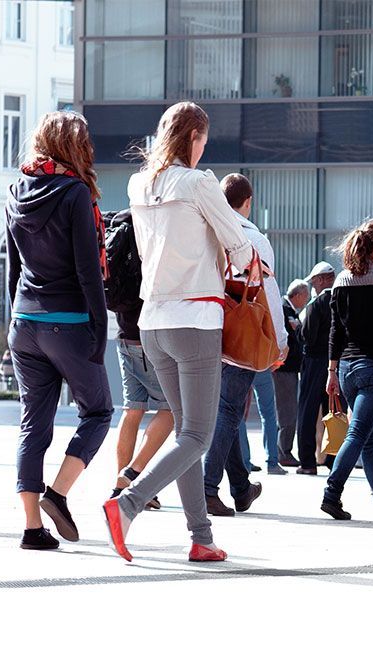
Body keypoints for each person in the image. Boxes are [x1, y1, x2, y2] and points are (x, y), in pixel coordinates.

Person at [103, 102, 255, 563]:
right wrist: (249, 261)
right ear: (193, 137)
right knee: (198, 437)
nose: (204, 147)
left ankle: (201, 538)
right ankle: (128, 504)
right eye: (203, 139)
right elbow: (238, 244)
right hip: (194, 320)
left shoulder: (139, 184)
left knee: (186, 433)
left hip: (152, 323)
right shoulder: (199, 182)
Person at [5, 110, 114, 551]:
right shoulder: (75, 194)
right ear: (76, 146)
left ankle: (33, 528)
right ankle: (58, 493)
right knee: (98, 412)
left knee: (33, 425)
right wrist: (100, 327)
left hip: (24, 320)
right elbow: (88, 271)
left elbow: (14, 269)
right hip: (68, 322)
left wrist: (17, 318)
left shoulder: (16, 190)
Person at [202, 173, 286, 516]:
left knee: (227, 410)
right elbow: (269, 293)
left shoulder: (207, 231)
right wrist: (280, 340)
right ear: (248, 202)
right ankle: (208, 488)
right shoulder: (252, 238)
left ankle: (240, 486)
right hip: (241, 334)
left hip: (206, 328)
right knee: (228, 410)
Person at [320, 218, 373, 521]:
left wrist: (331, 372)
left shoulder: (341, 281)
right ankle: (331, 493)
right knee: (358, 433)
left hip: (345, 370)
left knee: (370, 436)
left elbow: (335, 332)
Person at [109, 212, 171, 512]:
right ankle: (133, 477)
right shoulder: (150, 231)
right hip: (148, 336)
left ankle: (121, 484)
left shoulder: (119, 227)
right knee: (172, 411)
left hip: (123, 334)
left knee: (132, 409)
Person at [295, 261, 336, 474]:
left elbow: (307, 336)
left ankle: (308, 462)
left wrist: (298, 330)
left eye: (314, 281)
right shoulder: (340, 301)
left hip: (313, 362)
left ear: (321, 280)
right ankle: (333, 460)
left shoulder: (315, 304)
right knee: (334, 412)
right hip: (335, 362)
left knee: (307, 412)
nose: (313, 285)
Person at [273, 279, 309, 468]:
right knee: (287, 412)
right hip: (284, 369)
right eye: (306, 296)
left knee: (285, 411)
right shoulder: (284, 309)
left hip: (288, 368)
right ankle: (283, 452)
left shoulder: (289, 309)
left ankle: (281, 450)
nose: (307, 300)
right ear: (299, 295)